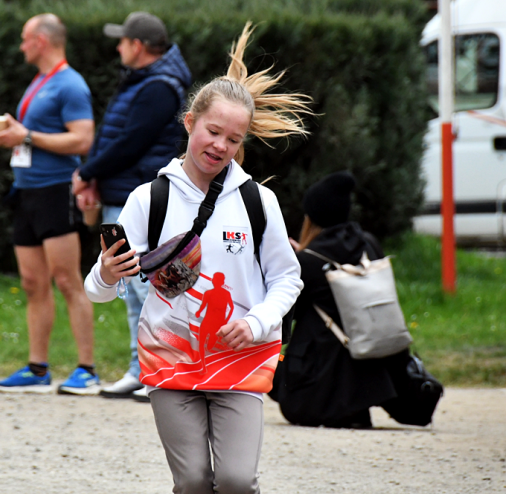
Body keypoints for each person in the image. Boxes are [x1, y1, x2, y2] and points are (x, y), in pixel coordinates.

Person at [84, 22, 310, 493]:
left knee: (235, 480)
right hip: (170, 360)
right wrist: (106, 274)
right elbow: (101, 292)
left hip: (240, 357)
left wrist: (257, 323)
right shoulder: (150, 199)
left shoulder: (257, 202)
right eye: (212, 132)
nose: (220, 147)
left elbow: (288, 279)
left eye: (233, 139)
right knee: (190, 482)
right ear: (189, 122)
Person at [72, 11, 192, 400]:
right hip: (123, 192)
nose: (118, 46)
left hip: (139, 198)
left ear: (138, 46)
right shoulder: (145, 81)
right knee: (129, 285)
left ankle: (159, 370)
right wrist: (98, 179)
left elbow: (130, 144)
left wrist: (88, 172)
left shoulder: (159, 86)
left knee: (146, 287)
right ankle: (139, 370)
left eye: (122, 41)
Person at [0, 13, 100, 395]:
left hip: (56, 192)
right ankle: (38, 369)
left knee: (68, 280)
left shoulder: (71, 84)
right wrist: (12, 134)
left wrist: (27, 135)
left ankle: (87, 369)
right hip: (27, 192)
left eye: (25, 38)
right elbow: (32, 136)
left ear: (42, 40)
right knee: (33, 283)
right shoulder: (40, 81)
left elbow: (83, 140)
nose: (20, 46)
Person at [269, 171, 415, 429]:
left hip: (316, 389)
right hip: (368, 375)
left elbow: (283, 320)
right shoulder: (369, 245)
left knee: (272, 356)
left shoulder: (308, 261)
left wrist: (296, 264)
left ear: (312, 217)